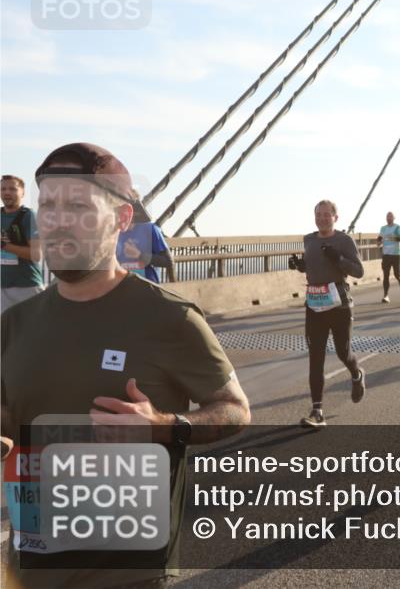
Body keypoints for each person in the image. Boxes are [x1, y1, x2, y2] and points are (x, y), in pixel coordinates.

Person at [0, 142, 251, 587]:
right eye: (49, 206)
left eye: (78, 206)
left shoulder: (170, 317)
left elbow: (235, 409)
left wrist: (165, 426)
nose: (57, 221)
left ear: (121, 218)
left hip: (125, 572)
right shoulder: (14, 322)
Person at [288, 200, 366, 427]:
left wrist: (338, 259)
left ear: (335, 218)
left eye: (326, 215)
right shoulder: (309, 240)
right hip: (314, 305)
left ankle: (357, 374)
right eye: (318, 215)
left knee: (343, 352)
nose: (322, 219)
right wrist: (300, 265)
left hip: (339, 305)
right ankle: (317, 411)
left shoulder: (344, 240)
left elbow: (359, 271)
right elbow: (313, 267)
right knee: (316, 357)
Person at [1, 174, 44, 311]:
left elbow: (36, 255)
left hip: (27, 286)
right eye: (3, 189)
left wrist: (4, 245)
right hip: (2, 288)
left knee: (34, 325)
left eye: (12, 189)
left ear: (23, 193)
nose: (7, 192)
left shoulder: (29, 216)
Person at [116, 213, 173, 283]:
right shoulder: (115, 232)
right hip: (122, 283)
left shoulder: (150, 229)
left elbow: (168, 261)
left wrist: (139, 255)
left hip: (147, 284)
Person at [377, 211, 400, 303]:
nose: (389, 218)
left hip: (396, 254)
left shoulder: (398, 228)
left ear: (394, 218)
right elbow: (379, 238)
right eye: (387, 217)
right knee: (386, 275)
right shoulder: (383, 228)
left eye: (390, 217)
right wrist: (378, 242)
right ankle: (386, 296)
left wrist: (395, 238)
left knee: (397, 274)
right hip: (386, 255)